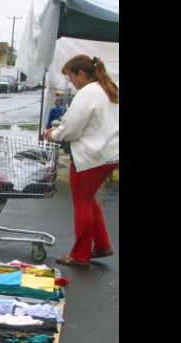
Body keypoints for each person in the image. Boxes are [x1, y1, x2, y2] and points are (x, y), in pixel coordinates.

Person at [44, 55, 119, 267]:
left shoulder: (88, 93)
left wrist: (53, 134)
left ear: (81, 74)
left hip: (91, 156)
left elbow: (72, 129)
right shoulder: (106, 89)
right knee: (89, 199)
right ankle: (102, 245)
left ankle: (80, 254)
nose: (70, 82)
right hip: (108, 154)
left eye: (70, 77)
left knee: (82, 203)